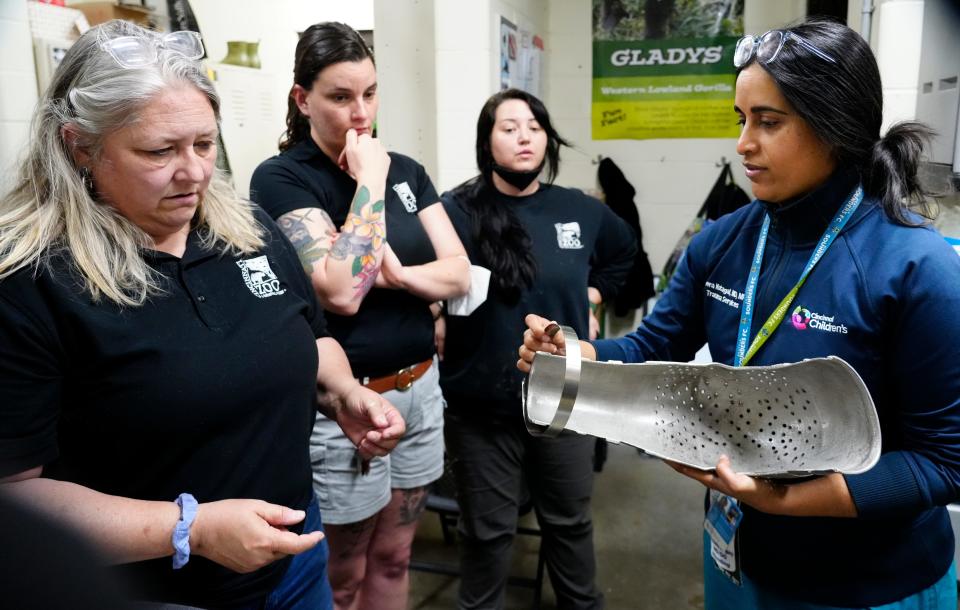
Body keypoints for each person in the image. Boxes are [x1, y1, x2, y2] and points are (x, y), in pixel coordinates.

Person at [520, 18, 960, 610]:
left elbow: (945, 462)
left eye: (768, 122)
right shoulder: (723, 242)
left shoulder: (916, 268)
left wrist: (786, 501)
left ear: (836, 126)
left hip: (867, 584)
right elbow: (656, 342)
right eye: (741, 119)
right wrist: (577, 356)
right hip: (739, 558)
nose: (743, 143)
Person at [0, 21, 405, 609]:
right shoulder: (32, 281)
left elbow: (311, 340)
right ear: (79, 146)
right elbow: (15, 496)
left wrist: (344, 394)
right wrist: (187, 528)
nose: (192, 172)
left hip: (294, 557)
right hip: (150, 589)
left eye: (204, 144)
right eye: (158, 151)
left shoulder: (247, 230)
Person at [249, 22, 470, 610]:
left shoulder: (410, 171)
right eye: (341, 97)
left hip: (421, 388)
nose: (361, 112)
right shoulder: (283, 179)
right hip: (346, 409)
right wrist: (371, 174)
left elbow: (459, 272)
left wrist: (397, 277)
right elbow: (342, 289)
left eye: (369, 93)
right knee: (342, 576)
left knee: (396, 557)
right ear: (303, 99)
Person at [440, 88, 637, 609]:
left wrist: (591, 292)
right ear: (487, 142)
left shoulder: (580, 210)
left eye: (533, 126)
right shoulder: (457, 210)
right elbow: (430, 276)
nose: (524, 136)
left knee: (570, 525)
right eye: (508, 127)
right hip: (481, 407)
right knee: (486, 535)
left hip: (566, 400)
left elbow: (624, 257)